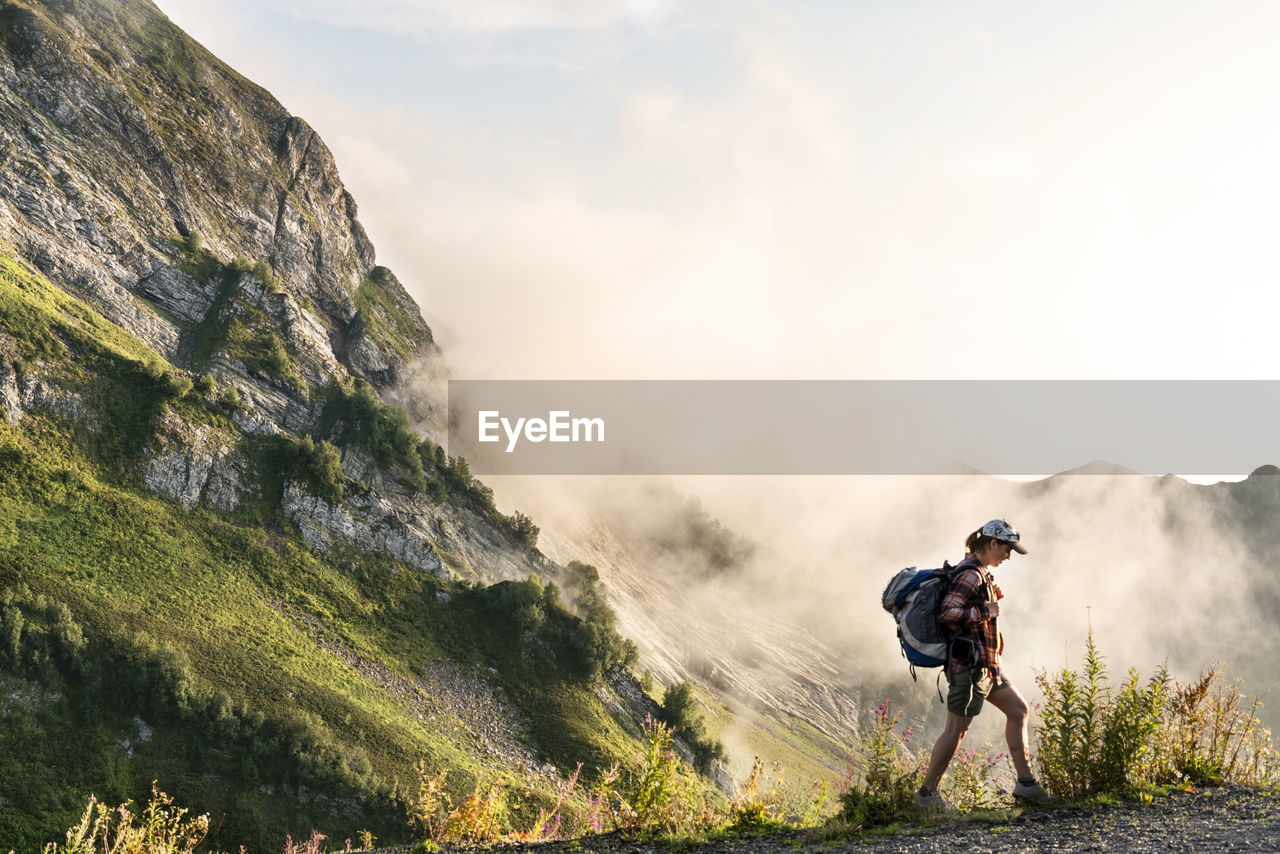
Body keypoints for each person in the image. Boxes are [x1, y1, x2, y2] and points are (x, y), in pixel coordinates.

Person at [914, 518, 1054, 808]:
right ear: (992, 543)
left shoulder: (981, 574)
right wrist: (983, 610)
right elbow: (947, 613)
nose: (1008, 555)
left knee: (1018, 710)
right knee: (957, 730)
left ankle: (1026, 784)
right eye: (1006, 549)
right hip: (969, 668)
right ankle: (927, 795)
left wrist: (988, 600)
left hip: (988, 667)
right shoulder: (971, 575)